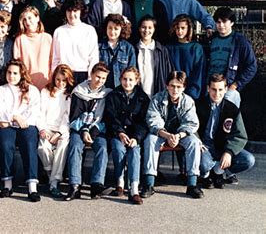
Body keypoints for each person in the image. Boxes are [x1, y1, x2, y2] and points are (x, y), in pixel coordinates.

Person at [142, 71, 204, 199]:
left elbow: (191, 123)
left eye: (179, 86)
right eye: (172, 85)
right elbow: (152, 120)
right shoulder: (157, 99)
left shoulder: (188, 101)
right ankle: (149, 183)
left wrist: (178, 136)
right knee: (150, 140)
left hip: (181, 134)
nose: (175, 89)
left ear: (184, 87)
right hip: (162, 133)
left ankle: (192, 184)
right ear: (167, 85)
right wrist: (167, 135)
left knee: (194, 142)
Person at [0, 59, 41, 202]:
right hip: (6, 124)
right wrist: (13, 117)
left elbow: (34, 111)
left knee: (29, 144)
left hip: (26, 124)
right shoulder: (1, 90)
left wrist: (20, 120)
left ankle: (32, 186)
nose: (12, 76)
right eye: (9, 73)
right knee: (6, 144)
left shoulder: (32, 90)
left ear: (22, 74)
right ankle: (8, 184)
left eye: (15, 73)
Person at [197, 74, 255, 189]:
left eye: (220, 90)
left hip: (223, 147)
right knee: (204, 164)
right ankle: (205, 176)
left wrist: (229, 152)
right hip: (204, 148)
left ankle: (218, 172)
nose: (217, 94)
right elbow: (191, 127)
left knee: (248, 160)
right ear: (208, 88)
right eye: (213, 89)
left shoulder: (232, 109)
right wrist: (197, 141)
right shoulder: (198, 105)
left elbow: (240, 135)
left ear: (226, 89)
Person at [64, 62, 111, 201]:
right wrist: (84, 130)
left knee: (102, 147)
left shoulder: (105, 93)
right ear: (91, 75)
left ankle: (96, 185)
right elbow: (74, 116)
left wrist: (92, 132)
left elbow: (103, 118)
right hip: (78, 127)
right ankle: (74, 185)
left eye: (103, 78)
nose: (100, 81)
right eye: (98, 77)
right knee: (75, 146)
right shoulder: (79, 91)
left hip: (97, 129)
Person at [105, 67, 149, 204]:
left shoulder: (143, 98)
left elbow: (144, 122)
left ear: (137, 81)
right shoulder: (113, 96)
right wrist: (120, 133)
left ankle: (134, 189)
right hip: (118, 132)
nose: (127, 82)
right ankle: (119, 181)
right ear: (120, 79)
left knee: (134, 151)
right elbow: (111, 118)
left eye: (131, 79)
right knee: (118, 149)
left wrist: (137, 137)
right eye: (124, 79)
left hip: (135, 134)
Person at [37, 64, 74, 198]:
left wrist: (59, 133)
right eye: (58, 79)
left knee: (62, 148)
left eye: (64, 80)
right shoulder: (46, 91)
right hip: (46, 127)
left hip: (61, 130)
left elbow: (67, 116)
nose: (60, 83)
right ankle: (50, 172)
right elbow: (40, 112)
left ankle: (53, 183)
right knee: (43, 147)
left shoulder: (69, 95)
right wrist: (42, 129)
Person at [208, 7, 257, 106]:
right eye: (218, 22)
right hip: (210, 87)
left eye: (224, 22)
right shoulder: (211, 40)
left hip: (228, 87)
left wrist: (236, 84)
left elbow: (252, 66)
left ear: (232, 23)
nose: (221, 25)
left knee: (229, 117)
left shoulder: (240, 41)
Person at [52, 0, 99, 85]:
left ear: (81, 11)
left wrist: (90, 79)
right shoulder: (59, 31)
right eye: (69, 11)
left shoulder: (89, 30)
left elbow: (93, 57)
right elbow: (55, 58)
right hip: (64, 75)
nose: (72, 14)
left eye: (75, 11)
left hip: (83, 75)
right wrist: (55, 78)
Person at [167, 15, 206, 100]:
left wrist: (192, 94)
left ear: (189, 29)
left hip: (191, 94)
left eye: (183, 28)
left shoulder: (196, 48)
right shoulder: (169, 48)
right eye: (177, 28)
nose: (179, 31)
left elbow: (199, 73)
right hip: (172, 93)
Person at [13, 6, 52, 90]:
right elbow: (17, 65)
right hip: (27, 85)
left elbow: (53, 61)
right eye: (24, 19)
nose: (27, 22)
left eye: (30, 18)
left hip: (46, 83)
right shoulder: (19, 39)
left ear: (37, 18)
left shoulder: (47, 38)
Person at [135, 15, 174, 98]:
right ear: (139, 29)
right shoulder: (134, 49)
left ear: (154, 29)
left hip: (157, 93)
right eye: (143, 27)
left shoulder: (162, 50)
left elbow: (168, 72)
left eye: (150, 27)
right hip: (137, 95)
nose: (146, 30)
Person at [99, 13, 136, 89]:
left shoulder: (128, 48)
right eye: (110, 28)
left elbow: (132, 72)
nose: (112, 31)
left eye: (116, 29)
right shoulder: (98, 47)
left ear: (121, 30)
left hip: (121, 90)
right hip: (102, 89)